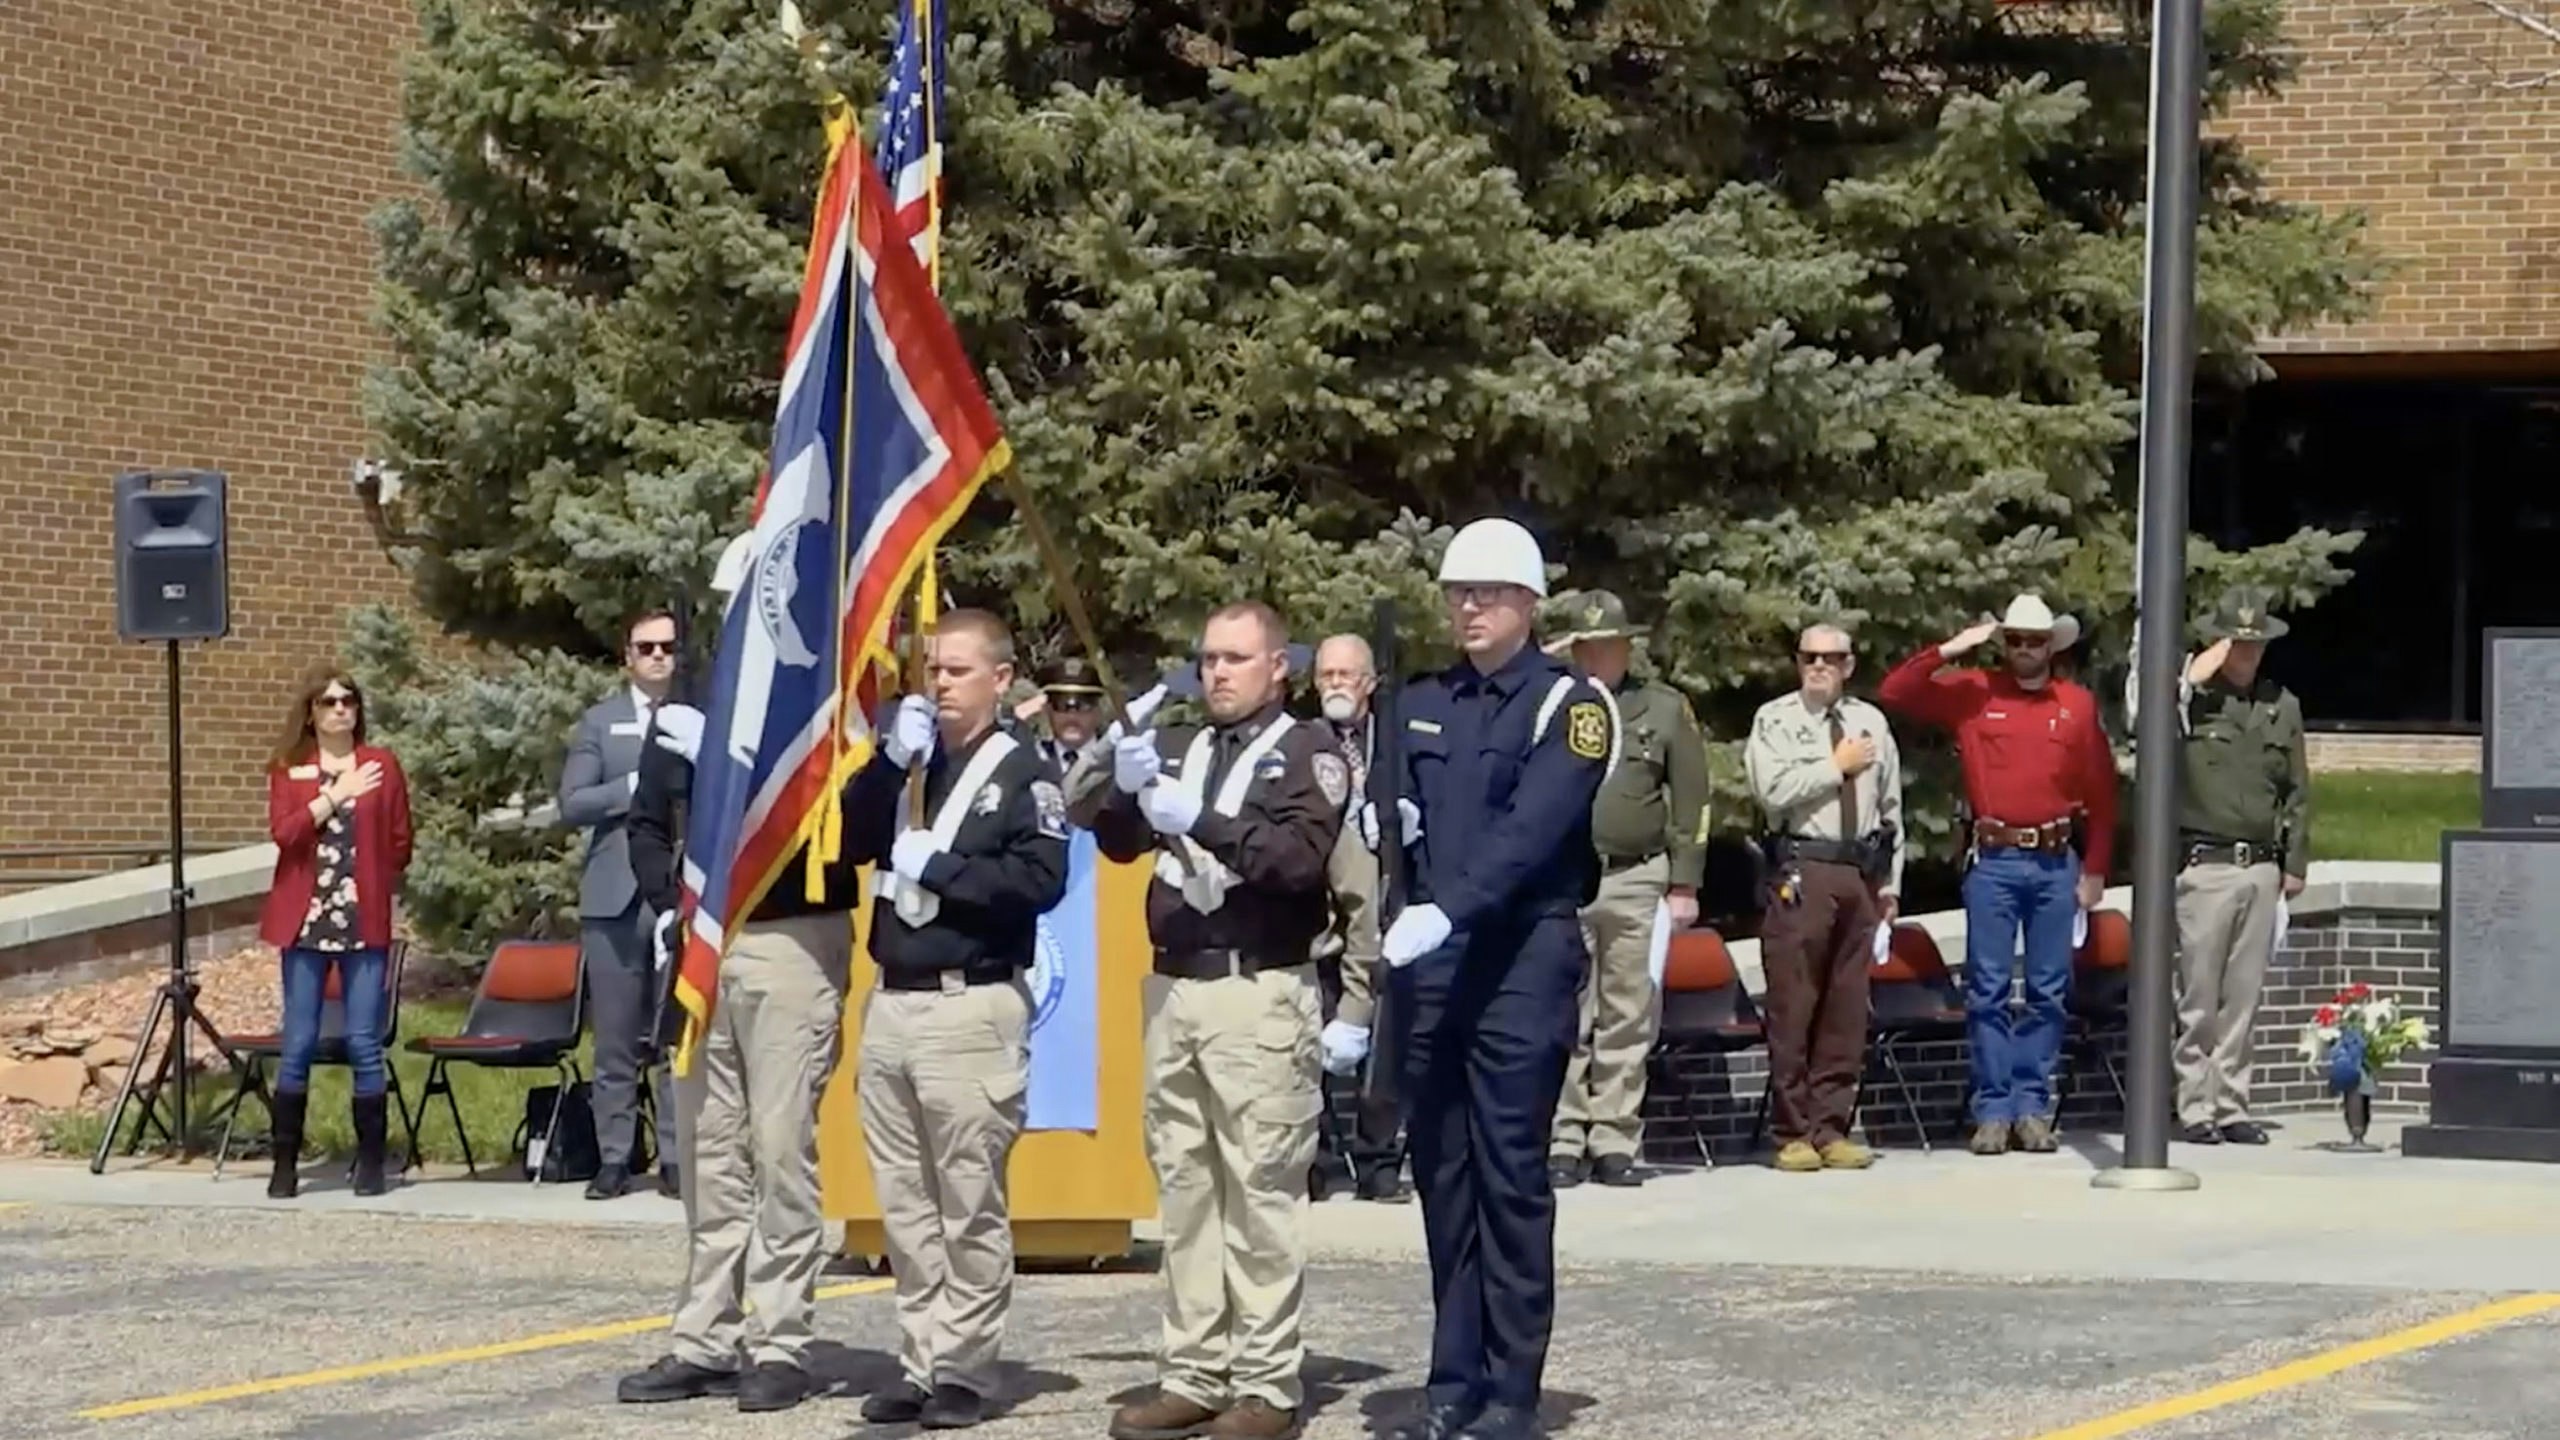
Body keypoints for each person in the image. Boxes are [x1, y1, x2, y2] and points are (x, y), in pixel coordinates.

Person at [1067, 601, 1348, 1440]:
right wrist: (1121, 783)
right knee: (1187, 1189)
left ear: (1277, 668)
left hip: (1257, 988)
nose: (1216, 673)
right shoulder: (1186, 745)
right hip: (1177, 988)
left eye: (1234, 658)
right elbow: (1113, 840)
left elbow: (1298, 862)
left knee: (1260, 1191)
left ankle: (1267, 1381)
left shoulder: (1309, 751)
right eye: (1207, 659)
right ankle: (1195, 1367)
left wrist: (1205, 822)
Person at [1377, 517, 1614, 1440]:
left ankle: (1513, 1387)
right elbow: (1391, 812)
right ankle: (1452, 1375)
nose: (1467, 607)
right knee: (1442, 1171)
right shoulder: (1420, 700)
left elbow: (1536, 829)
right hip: (1434, 960)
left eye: (1485, 593)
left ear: (1527, 602)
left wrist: (1454, 904)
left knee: (1509, 1171)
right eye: (1456, 593)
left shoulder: (1571, 704)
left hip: (1520, 954)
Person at [615, 532, 862, 1416]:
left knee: (780, 1146)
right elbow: (648, 820)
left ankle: (783, 1338)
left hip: (793, 936)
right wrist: (665, 905)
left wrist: (731, 750)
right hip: (707, 941)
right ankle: (705, 1336)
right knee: (710, 1152)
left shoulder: (820, 690)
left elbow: (839, 818)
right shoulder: (697, 694)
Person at [840, 610, 1069, 1429]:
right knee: (905, 1202)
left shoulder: (1022, 771)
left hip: (969, 1001)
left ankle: (966, 1366)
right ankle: (919, 1356)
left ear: (1001, 680)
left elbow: (1040, 880)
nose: (939, 683)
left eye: (958, 671)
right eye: (933, 669)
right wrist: (884, 762)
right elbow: (852, 837)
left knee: (967, 1198)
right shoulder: (915, 765)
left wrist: (941, 866)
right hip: (894, 999)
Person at [1878, 594, 2117, 1157]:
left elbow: (2104, 795)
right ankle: (1992, 1109)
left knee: (2047, 991)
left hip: (2057, 862)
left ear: (2051, 646)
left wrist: (2098, 868)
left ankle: (2032, 1107)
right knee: (1986, 990)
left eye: (2034, 641)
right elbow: (1896, 691)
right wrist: (1953, 648)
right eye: (2013, 640)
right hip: (1994, 861)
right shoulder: (1976, 692)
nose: (2024, 650)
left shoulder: (2075, 706)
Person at [1540, 590, 1707, 1190]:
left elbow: (1691, 799)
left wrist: (1685, 881)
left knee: (1628, 1012)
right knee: (1564, 1011)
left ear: (1625, 648)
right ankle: (1562, 1136)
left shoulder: (1663, 709)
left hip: (1636, 876)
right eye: (1585, 648)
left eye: (1606, 648)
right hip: (1564, 876)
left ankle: (1614, 1137)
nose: (1595, 660)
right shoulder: (1553, 704)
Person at [1744, 623, 1904, 1173]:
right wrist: (1834, 767)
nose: (1819, 666)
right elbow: (1772, 792)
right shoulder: (1776, 720)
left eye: (1831, 658)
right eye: (1809, 656)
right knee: (1795, 1003)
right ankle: (1792, 1131)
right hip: (1802, 868)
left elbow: (1891, 811)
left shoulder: (1871, 723)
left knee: (1845, 1009)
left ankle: (1831, 1127)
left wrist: (1889, 887)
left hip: (1858, 871)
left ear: (1848, 666)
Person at [259, 665, 413, 1200]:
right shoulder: (291, 768)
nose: (340, 709)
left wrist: (368, 876)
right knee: (299, 1041)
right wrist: (335, 793)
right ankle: (284, 1166)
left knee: (363, 1042)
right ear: (311, 712)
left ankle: (370, 1162)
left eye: (348, 700)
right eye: (328, 702)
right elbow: (286, 834)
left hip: (360, 920)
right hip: (304, 921)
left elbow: (400, 841)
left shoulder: (382, 766)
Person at [2162, 587, 2308, 1146]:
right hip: (2207, 866)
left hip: (2260, 867)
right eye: (2237, 643)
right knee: (2197, 996)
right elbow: (2145, 715)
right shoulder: (2191, 701)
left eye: (2255, 643)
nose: (2247, 654)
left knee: (2242, 999)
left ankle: (2231, 1105)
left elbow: (2297, 790)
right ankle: (2194, 1106)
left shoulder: (2281, 704)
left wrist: (2294, 862)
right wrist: (2193, 677)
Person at [559, 608, 683, 1201]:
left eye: (667, 646)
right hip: (613, 900)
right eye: (646, 647)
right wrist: (633, 787)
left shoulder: (697, 718)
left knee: (672, 1035)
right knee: (614, 1037)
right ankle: (614, 1157)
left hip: (675, 895)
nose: (658, 656)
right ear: (626, 656)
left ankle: (678, 1157)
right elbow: (573, 802)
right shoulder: (601, 723)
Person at [1309, 631, 1409, 1204]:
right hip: (1323, 910)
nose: (1335, 686)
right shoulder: (1306, 739)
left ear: (1369, 681)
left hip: (1386, 902)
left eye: (1345, 675)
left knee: (1384, 1038)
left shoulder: (1392, 739)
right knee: (1313, 1029)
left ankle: (1379, 1162)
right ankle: (1319, 1160)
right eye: (1326, 676)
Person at [1017, 655, 1109, 781]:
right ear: (1047, 709)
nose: (1072, 716)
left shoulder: (1114, 760)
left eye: (1083, 705)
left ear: (1098, 710)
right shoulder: (1030, 761)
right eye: (1061, 705)